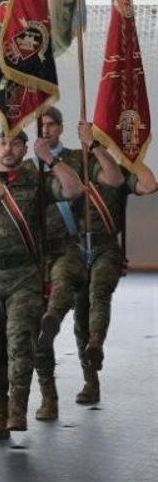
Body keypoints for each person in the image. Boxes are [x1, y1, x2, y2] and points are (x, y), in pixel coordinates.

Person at [0, 129, 82, 439]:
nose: (9, 149)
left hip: (25, 274)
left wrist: (50, 157)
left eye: (16, 143)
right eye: (3, 142)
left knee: (22, 342)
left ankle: (16, 410)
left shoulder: (37, 183)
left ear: (24, 148)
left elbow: (73, 189)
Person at [73, 123, 157, 404]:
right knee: (79, 317)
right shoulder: (72, 169)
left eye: (97, 140)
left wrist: (131, 156)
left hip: (106, 247)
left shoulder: (118, 173)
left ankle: (96, 342)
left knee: (99, 293)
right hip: (74, 249)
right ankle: (91, 381)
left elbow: (149, 184)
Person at [29, 107, 90, 420]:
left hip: (70, 247)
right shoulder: (28, 169)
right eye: (41, 125)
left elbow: (77, 191)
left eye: (52, 124)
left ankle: (54, 315)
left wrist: (51, 160)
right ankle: (48, 397)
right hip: (37, 255)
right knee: (40, 334)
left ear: (61, 128)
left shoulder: (75, 161)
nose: (46, 130)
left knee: (77, 312)